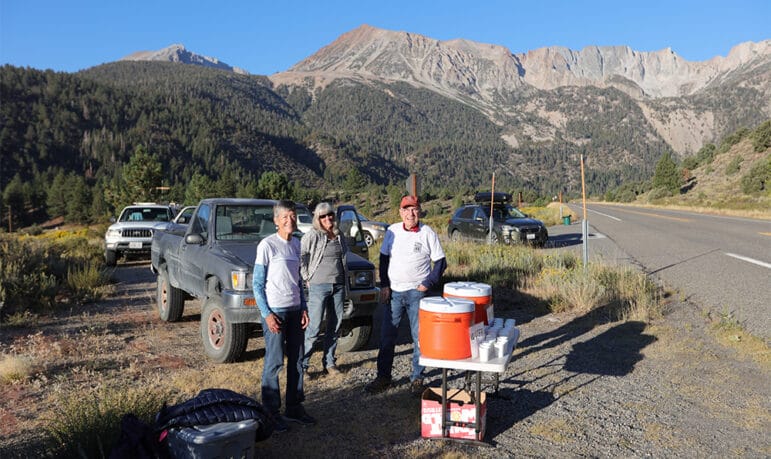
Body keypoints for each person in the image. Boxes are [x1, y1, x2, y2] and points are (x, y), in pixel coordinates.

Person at [365, 195, 447, 395]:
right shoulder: (392, 231)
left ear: (419, 211)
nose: (411, 213)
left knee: (419, 338)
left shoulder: (427, 233)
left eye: (414, 209)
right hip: (394, 293)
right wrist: (384, 285)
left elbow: (441, 262)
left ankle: (417, 378)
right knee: (387, 336)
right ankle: (383, 377)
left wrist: (427, 283)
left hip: (417, 294)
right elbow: (383, 259)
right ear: (400, 212)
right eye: (406, 209)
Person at [252, 200, 316, 433]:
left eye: (293, 216)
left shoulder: (297, 245)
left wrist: (304, 308)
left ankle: (294, 407)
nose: (291, 220)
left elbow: (298, 281)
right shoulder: (267, 245)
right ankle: (270, 412)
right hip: (276, 312)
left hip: (295, 310)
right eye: (285, 217)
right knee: (275, 361)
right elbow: (257, 285)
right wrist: (267, 314)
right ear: (276, 221)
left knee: (297, 361)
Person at [300, 202, 348, 376]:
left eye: (330, 215)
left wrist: (344, 283)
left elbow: (343, 258)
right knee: (313, 328)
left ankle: (329, 363)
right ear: (317, 219)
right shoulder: (312, 235)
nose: (327, 218)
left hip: (338, 286)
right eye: (323, 216)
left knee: (334, 326)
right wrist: (306, 277)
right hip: (319, 286)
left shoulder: (339, 235)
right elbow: (301, 256)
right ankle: (303, 366)